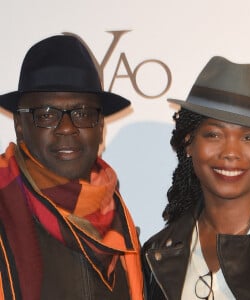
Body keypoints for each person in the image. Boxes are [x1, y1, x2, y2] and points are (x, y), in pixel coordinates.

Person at [142, 56, 250, 299]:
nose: (230, 153)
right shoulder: (157, 253)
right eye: (214, 134)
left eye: (248, 137)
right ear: (189, 143)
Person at [0, 34, 144, 300]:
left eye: (83, 113)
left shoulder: (116, 213)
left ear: (101, 127)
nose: (66, 128)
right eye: (46, 114)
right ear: (20, 126)